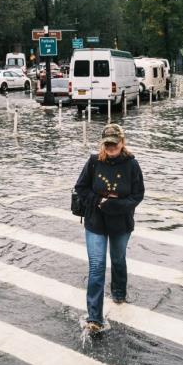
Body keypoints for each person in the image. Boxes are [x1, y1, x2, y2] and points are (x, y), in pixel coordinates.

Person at [74, 124, 145, 335]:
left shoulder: (132, 165)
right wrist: (99, 201)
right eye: (107, 144)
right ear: (103, 144)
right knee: (96, 266)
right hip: (95, 221)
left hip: (121, 224)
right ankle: (94, 318)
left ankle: (119, 292)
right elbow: (81, 188)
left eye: (114, 143)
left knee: (117, 259)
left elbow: (138, 195)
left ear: (122, 142)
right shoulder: (94, 162)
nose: (111, 147)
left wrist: (116, 205)